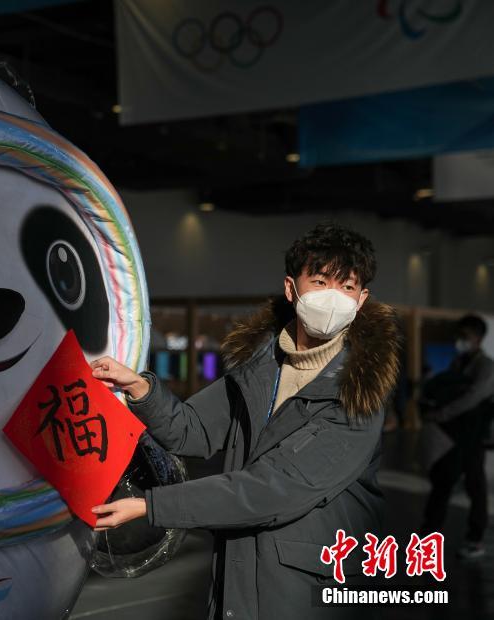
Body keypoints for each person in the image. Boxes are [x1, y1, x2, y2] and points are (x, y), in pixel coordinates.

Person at [90, 223, 400, 620]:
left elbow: (273, 489)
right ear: (292, 289)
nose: (333, 299)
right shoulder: (259, 367)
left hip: (310, 591)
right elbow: (193, 430)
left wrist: (151, 506)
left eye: (348, 288)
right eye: (321, 281)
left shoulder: (358, 394)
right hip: (241, 572)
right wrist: (141, 389)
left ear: (362, 299)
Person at [420, 314, 494, 559]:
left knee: (475, 485)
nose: (460, 340)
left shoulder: (486, 366)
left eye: (466, 336)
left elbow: (473, 397)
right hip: (454, 434)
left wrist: (442, 414)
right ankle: (429, 536)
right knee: (443, 482)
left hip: (472, 434)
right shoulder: (459, 363)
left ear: (479, 338)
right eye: (459, 335)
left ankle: (475, 537)